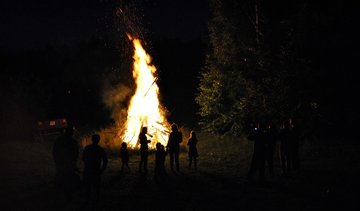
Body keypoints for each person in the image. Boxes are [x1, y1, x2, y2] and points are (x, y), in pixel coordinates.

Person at [52, 125, 80, 202]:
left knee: (61, 177)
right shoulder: (72, 142)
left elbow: (55, 152)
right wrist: (73, 163)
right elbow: (75, 154)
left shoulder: (59, 140)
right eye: (72, 131)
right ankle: (66, 195)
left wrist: (57, 160)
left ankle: (59, 194)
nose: (73, 133)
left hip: (61, 163)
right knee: (67, 179)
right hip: (67, 164)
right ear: (71, 132)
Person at [82, 134, 108, 203]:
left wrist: (87, 164)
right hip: (96, 171)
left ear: (92, 139)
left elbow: (83, 158)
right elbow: (105, 161)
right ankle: (95, 202)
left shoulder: (87, 148)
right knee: (96, 187)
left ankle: (87, 201)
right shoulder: (100, 149)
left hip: (88, 170)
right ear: (98, 140)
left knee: (87, 187)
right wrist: (102, 170)